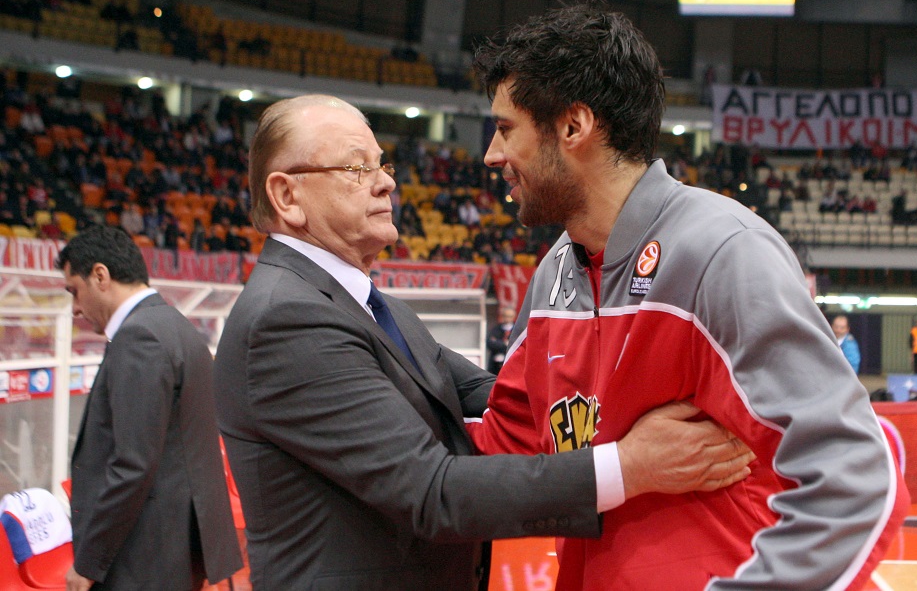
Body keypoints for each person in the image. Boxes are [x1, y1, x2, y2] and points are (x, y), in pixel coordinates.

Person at [212, 94, 754, 591]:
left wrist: (625, 403)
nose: (385, 184)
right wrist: (630, 465)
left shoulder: (370, 306)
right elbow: (433, 492)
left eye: (382, 165)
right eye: (357, 168)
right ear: (287, 196)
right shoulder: (286, 321)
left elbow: (501, 395)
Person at [470, 0, 908, 590]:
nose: (492, 155)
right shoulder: (554, 274)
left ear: (573, 127)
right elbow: (507, 450)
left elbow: (855, 478)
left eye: (505, 129)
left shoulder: (723, 252)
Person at [57, 226, 241, 591]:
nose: (75, 308)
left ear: (100, 276)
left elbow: (133, 464)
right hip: (174, 548)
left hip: (144, 556)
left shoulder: (139, 336)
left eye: (74, 291)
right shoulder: (177, 326)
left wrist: (89, 561)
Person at [486, 306, 516, 374]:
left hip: (510, 363)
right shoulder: (496, 329)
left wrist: (499, 343)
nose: (507, 318)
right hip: (495, 365)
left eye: (510, 316)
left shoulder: (516, 330)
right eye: (505, 316)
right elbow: (490, 343)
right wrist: (504, 344)